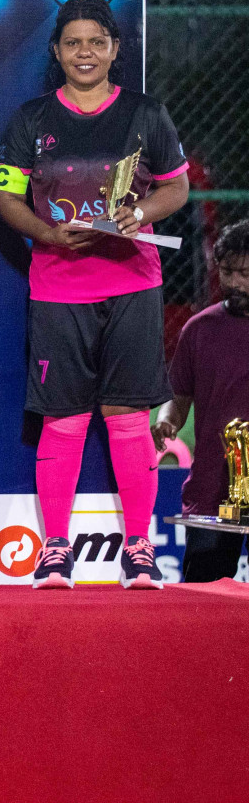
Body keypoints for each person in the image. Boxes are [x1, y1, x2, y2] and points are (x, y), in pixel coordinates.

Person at [0, 0, 189, 590]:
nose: (85, 52)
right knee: (65, 420)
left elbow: (175, 190)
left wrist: (141, 214)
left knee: (128, 418)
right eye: (74, 42)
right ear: (56, 52)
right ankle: (56, 549)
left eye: (97, 42)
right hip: (57, 288)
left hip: (133, 281)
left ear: (114, 50)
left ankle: (138, 547)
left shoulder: (145, 113)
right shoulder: (31, 120)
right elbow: (6, 198)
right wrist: (47, 233)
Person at [153, 220, 249, 582]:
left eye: (245, 273)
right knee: (205, 600)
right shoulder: (199, 328)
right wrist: (167, 420)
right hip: (211, 492)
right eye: (227, 271)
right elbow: (178, 396)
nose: (235, 282)